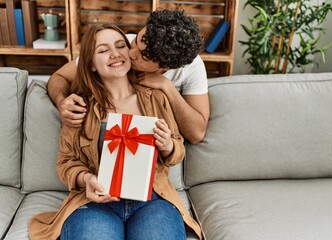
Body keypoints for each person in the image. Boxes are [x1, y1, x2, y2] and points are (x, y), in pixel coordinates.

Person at [29, 24, 202, 240]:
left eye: (120, 46)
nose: (115, 54)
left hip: (153, 200)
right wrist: (87, 178)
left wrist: (168, 145)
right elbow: (66, 162)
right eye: (103, 50)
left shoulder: (157, 98)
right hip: (94, 202)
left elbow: (178, 149)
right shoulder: (80, 107)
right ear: (91, 64)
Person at [47, 9, 210, 144]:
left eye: (143, 57)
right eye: (136, 42)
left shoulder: (192, 68)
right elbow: (59, 76)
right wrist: (62, 102)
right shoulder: (123, 45)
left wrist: (166, 86)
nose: (130, 54)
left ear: (165, 67)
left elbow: (196, 134)